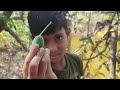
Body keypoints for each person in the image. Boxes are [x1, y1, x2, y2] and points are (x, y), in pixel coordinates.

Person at [23, 11, 83, 79]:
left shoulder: (75, 61)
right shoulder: (35, 72)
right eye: (43, 41)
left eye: (58, 37)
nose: (52, 48)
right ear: (33, 40)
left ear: (67, 33)